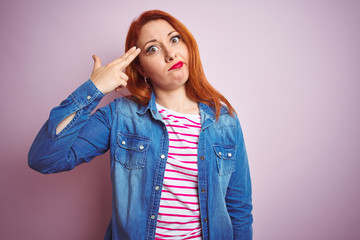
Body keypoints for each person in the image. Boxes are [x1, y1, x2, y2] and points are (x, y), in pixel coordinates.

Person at [28, 9, 253, 240]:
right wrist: (93, 89)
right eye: (152, 49)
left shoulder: (224, 122)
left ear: (188, 46)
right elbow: (45, 158)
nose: (170, 54)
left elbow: (239, 210)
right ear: (141, 68)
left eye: (174, 39)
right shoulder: (121, 116)